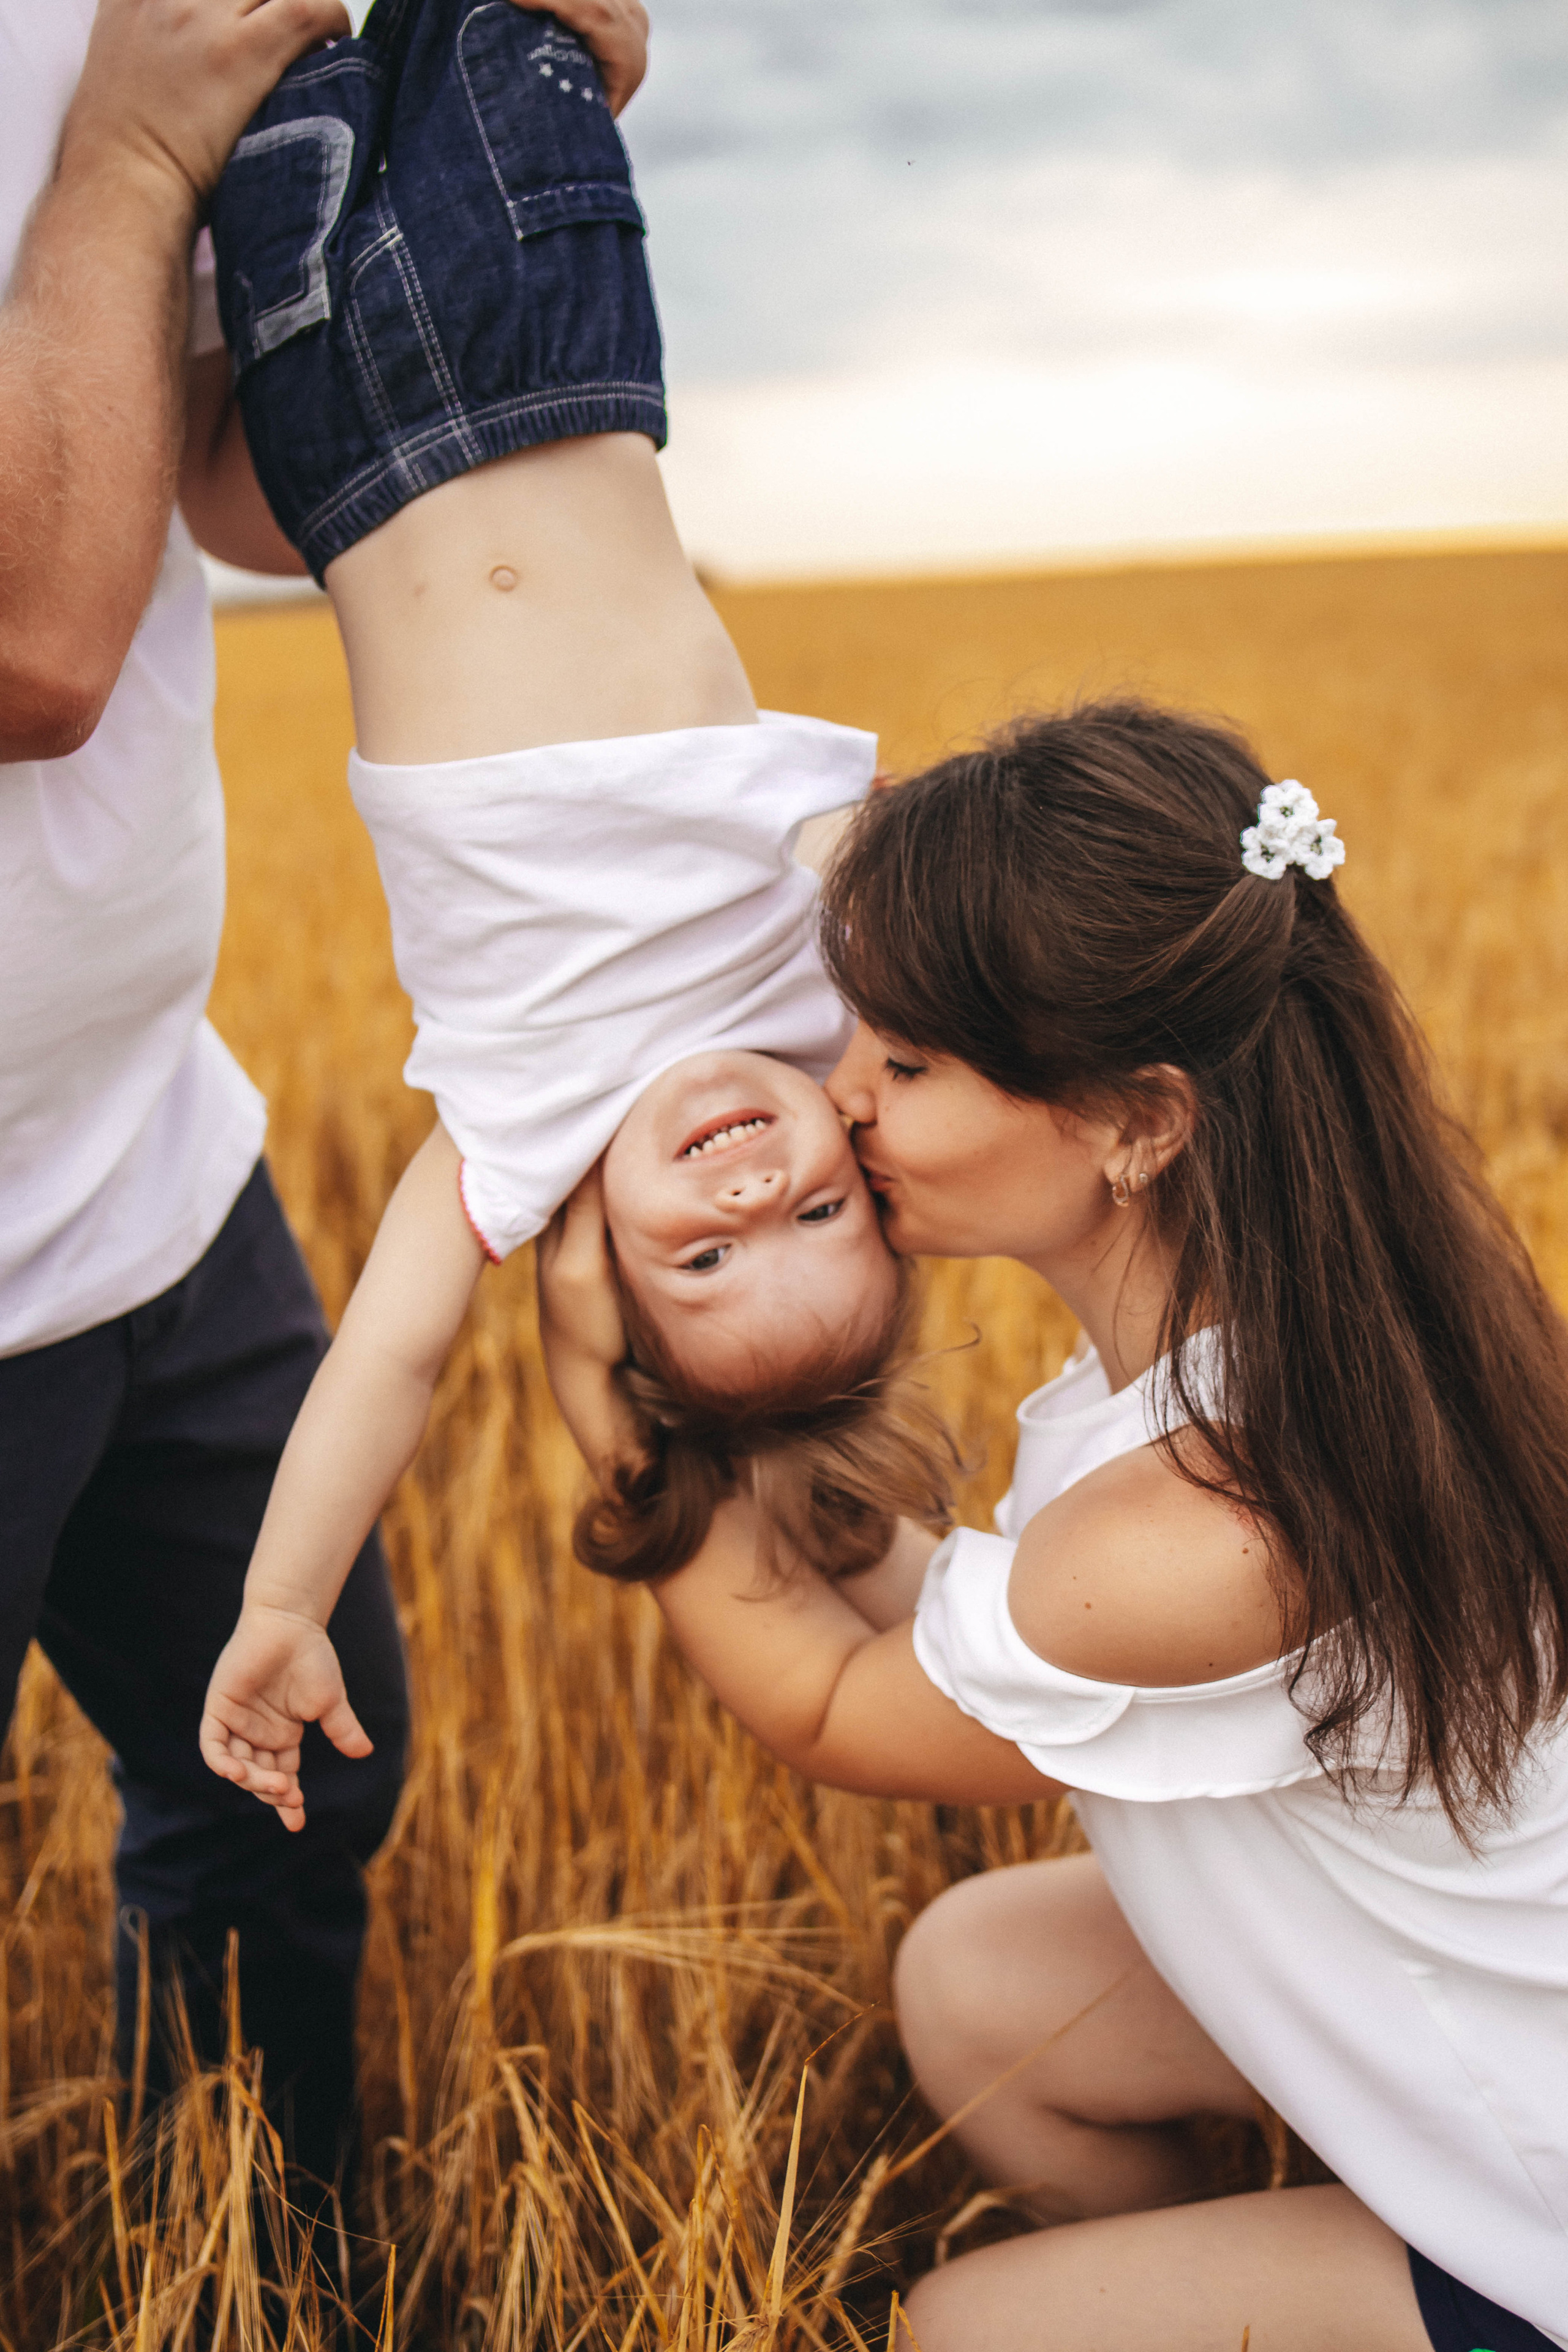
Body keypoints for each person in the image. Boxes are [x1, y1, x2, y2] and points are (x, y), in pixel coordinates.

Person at [535, 702, 1568, 2351]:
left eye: (909, 1063)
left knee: (965, 2327)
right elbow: (991, 1615)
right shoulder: (1317, 1349)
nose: (845, 1098)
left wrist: (623, 1417)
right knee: (979, 1981)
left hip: (1545, 2192)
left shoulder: (1212, 1528)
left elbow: (830, 1706)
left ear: (1138, 1121)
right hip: (1482, 2004)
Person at [0, 0, 642, 2195]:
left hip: (150, 1166)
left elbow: (232, 486)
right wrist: (115, 162)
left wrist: (478, 164)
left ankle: (254, 2268)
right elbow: (34, 640)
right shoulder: (101, 74)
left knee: (281, 1793)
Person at [195, 0, 950, 1831]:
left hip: (336, 427)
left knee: (234, 32)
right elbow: (1028, 1025)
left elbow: (384, 1362)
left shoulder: (521, 1141)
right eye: (825, 1212)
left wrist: (285, 1603)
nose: (757, 1191)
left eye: (709, 1257)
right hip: (548, 341)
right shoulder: (834, 996)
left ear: (604, 1281)